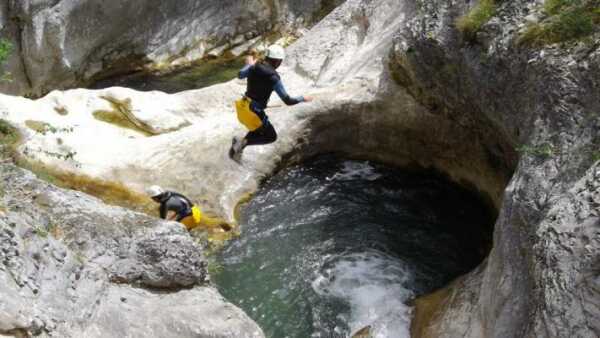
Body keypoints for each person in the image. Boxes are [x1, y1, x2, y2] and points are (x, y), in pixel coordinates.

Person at [229, 44, 313, 162]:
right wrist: (303, 98)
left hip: (242, 107)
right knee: (271, 136)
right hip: (253, 112)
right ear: (278, 61)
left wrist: (249, 64)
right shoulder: (273, 77)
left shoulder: (255, 65)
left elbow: (240, 74)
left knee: (259, 130)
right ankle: (241, 143)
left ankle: (239, 146)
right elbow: (288, 101)